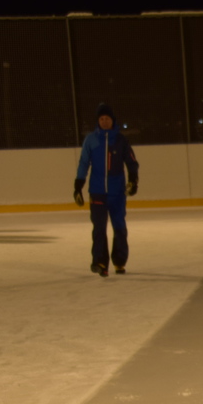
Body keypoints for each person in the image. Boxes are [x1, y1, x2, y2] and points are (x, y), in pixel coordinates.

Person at [74, 103, 139, 277]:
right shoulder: (91, 140)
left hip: (117, 192)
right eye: (101, 119)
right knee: (99, 228)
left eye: (107, 118)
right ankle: (100, 262)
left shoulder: (121, 140)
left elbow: (132, 162)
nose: (104, 121)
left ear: (112, 120)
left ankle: (119, 261)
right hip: (97, 191)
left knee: (119, 227)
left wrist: (133, 181)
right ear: (98, 121)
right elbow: (83, 163)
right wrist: (78, 185)